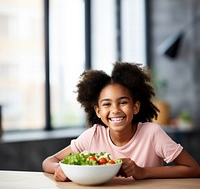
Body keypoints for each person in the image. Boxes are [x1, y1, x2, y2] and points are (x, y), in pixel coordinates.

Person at [42, 61, 200, 182]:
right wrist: (59, 168)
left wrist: (143, 172)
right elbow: (49, 161)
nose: (115, 110)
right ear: (98, 111)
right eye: (107, 104)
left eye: (123, 102)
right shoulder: (93, 135)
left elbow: (193, 168)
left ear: (135, 107)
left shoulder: (152, 133)